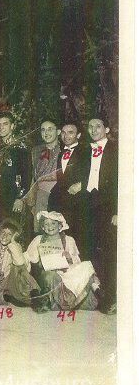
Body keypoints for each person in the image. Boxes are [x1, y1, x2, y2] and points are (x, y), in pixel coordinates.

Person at [73, 118, 117, 313]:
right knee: (88, 250)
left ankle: (111, 297)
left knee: (108, 253)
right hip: (87, 204)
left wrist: (117, 211)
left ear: (106, 129)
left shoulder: (116, 150)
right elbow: (82, 175)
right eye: (90, 126)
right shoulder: (84, 150)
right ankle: (95, 296)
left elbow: (120, 181)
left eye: (98, 126)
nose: (93, 129)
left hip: (107, 206)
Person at [25, 211, 99, 312]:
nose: (50, 226)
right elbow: (29, 257)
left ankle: (95, 292)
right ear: (42, 227)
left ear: (60, 226)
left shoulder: (69, 240)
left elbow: (77, 262)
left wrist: (69, 258)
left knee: (86, 265)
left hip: (67, 272)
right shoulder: (39, 239)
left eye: (53, 223)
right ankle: (55, 302)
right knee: (50, 276)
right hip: (48, 274)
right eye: (46, 224)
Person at [0, 111, 32, 237]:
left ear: (12, 126)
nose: (1, 128)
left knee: (13, 233)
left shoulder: (21, 148)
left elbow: (27, 176)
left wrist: (20, 198)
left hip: (13, 197)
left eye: (5, 124)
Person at [47, 123, 87, 228]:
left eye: (70, 132)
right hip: (61, 202)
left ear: (78, 135)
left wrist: (82, 184)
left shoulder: (86, 151)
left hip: (78, 202)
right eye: (63, 133)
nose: (66, 136)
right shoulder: (61, 152)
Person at [25, 120, 61, 220]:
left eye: (50, 129)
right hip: (40, 197)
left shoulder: (63, 149)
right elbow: (33, 175)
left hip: (57, 196)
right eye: (43, 130)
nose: (46, 133)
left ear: (58, 132)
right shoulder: (36, 151)